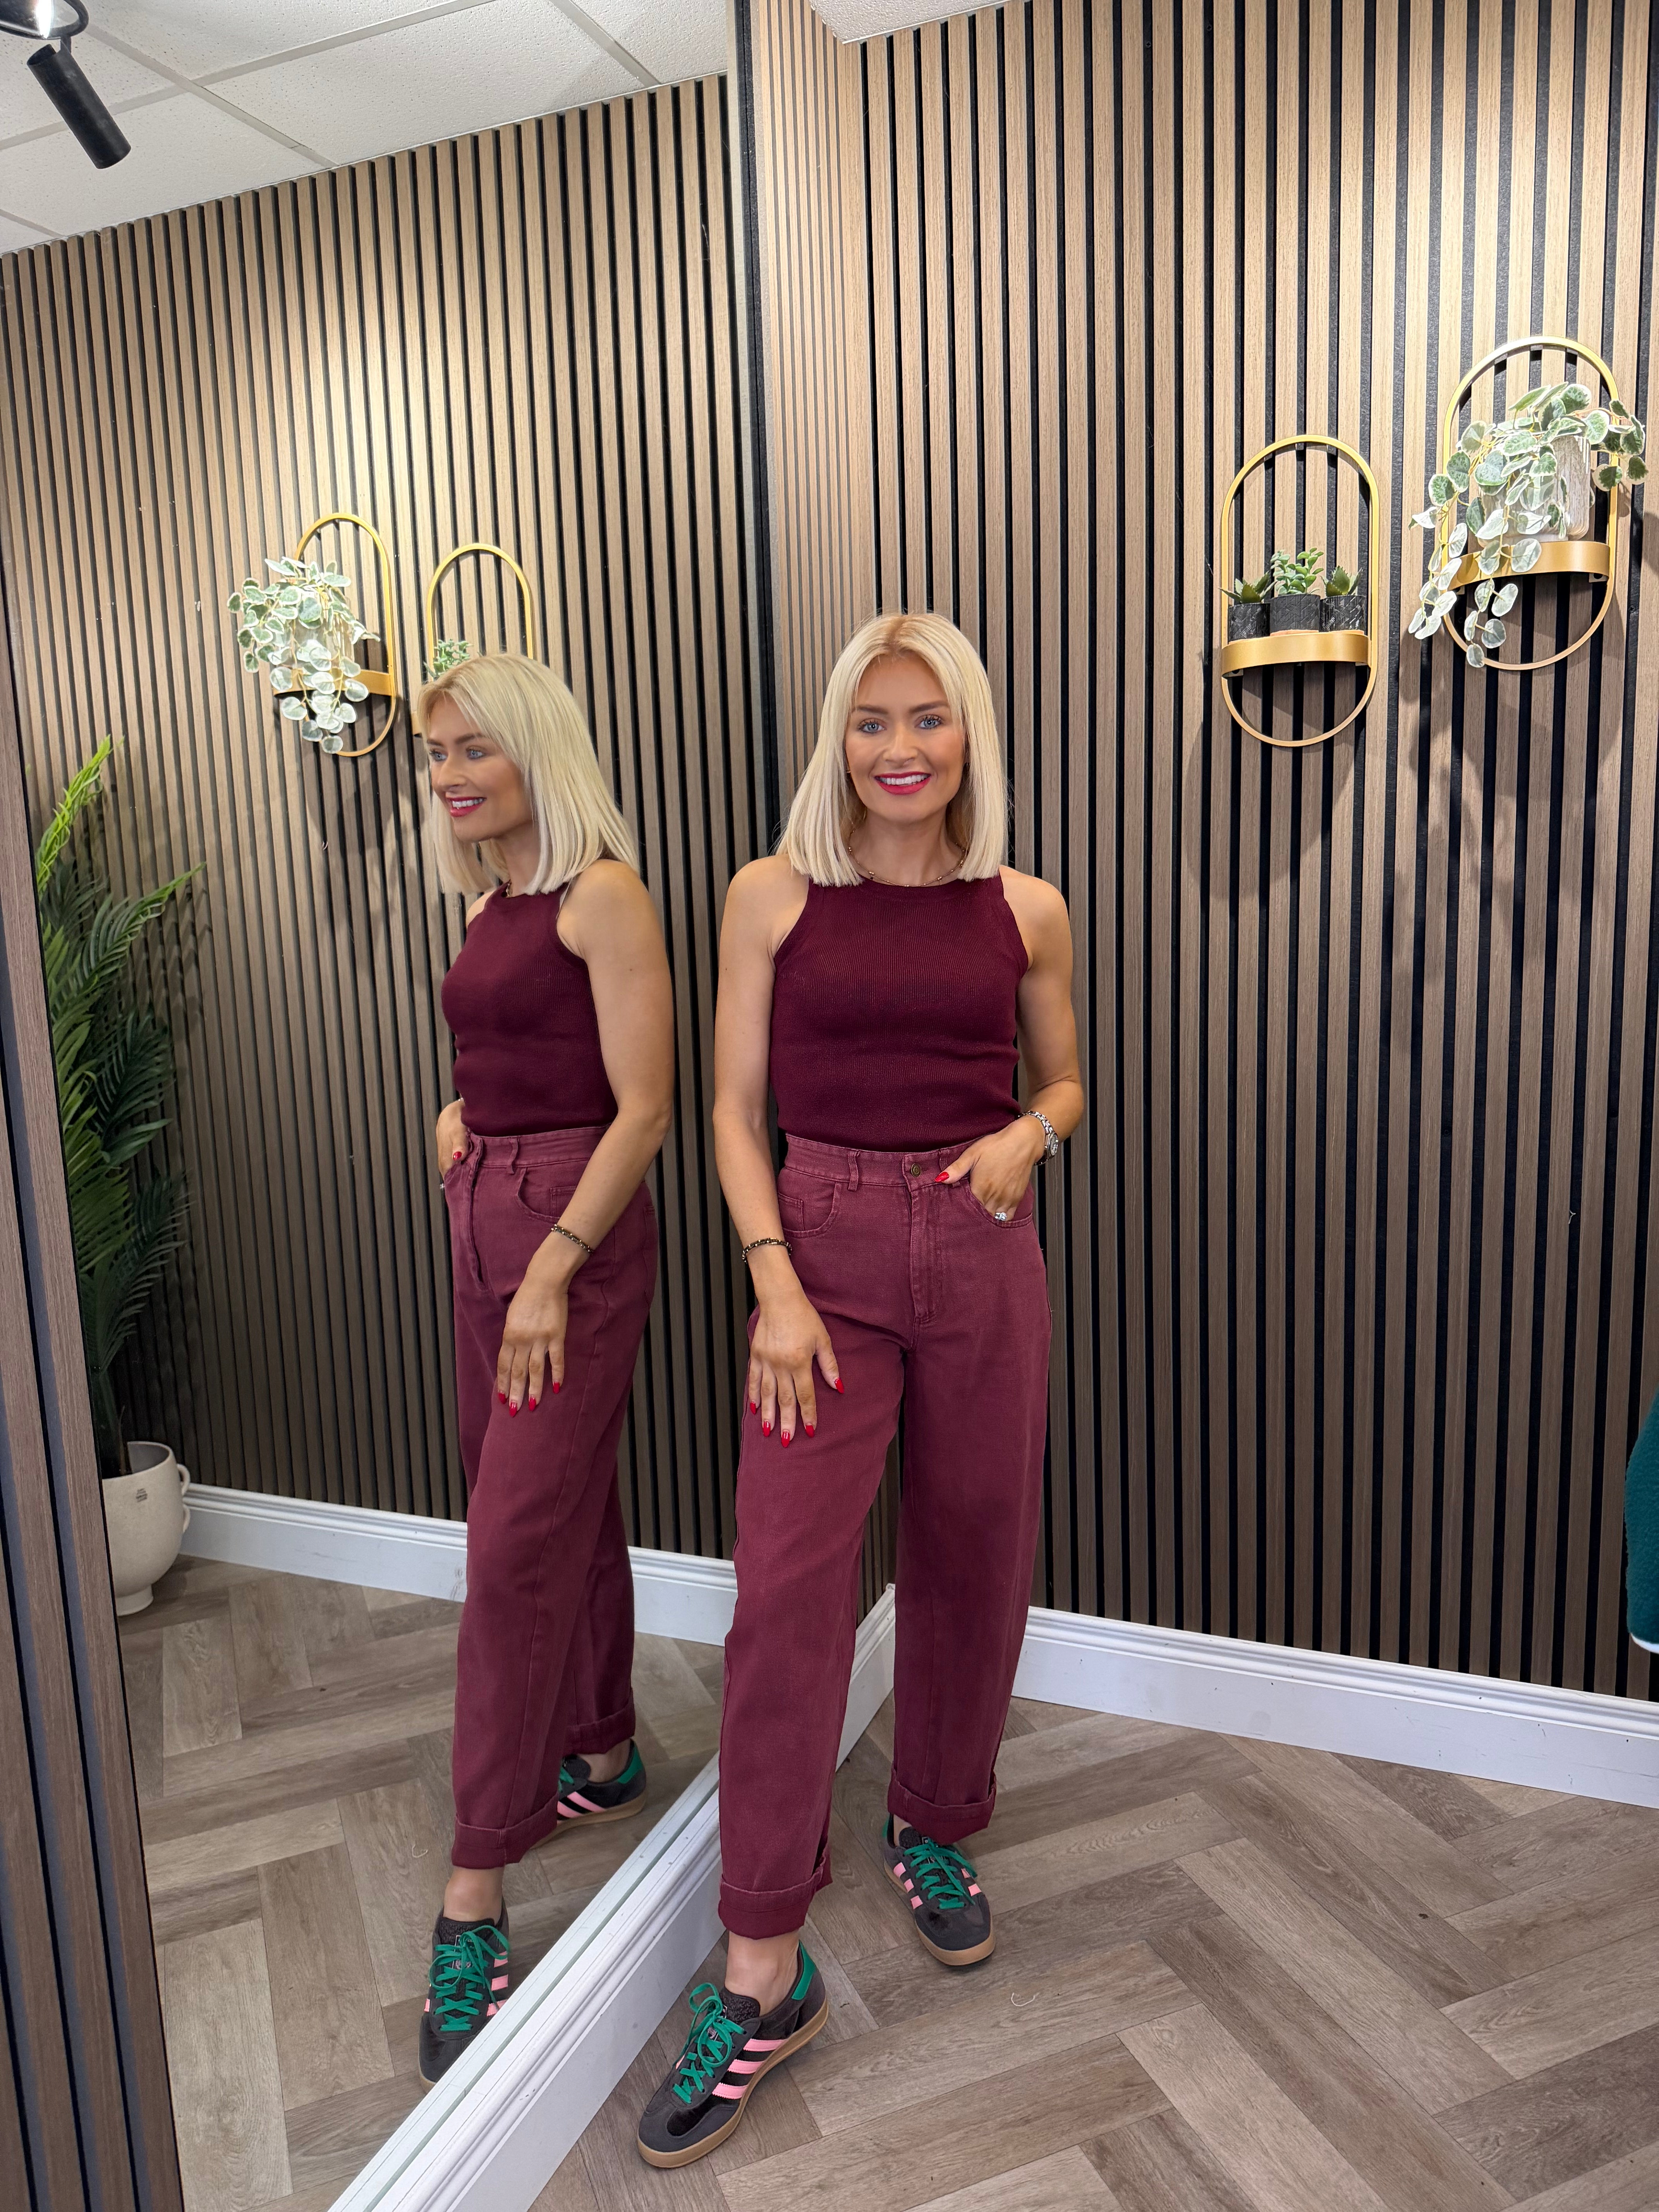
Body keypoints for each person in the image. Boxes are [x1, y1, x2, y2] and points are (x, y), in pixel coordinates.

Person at [636, 613, 1083, 2166]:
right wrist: (772, 1281)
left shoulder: (1025, 908)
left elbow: (1066, 1077)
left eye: (929, 719)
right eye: (873, 722)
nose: (901, 749)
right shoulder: (771, 895)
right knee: (786, 1592)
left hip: (980, 1242)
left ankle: (935, 1821)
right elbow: (728, 1108)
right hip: (814, 1246)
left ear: (970, 736)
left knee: (975, 1552)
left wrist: (1032, 1131)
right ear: (839, 738)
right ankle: (764, 1962)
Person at [418, 654, 674, 2087]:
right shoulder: (489, 902)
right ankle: (601, 1744)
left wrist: (554, 1268)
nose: (450, 775)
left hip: (570, 1235)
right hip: (487, 1211)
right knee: (555, 1500)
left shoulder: (603, 893)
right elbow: (511, 1045)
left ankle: (475, 1886)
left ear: (537, 751)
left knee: (510, 1542)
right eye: (437, 754)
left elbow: (643, 1107)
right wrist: (459, 1110)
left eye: (476, 748)